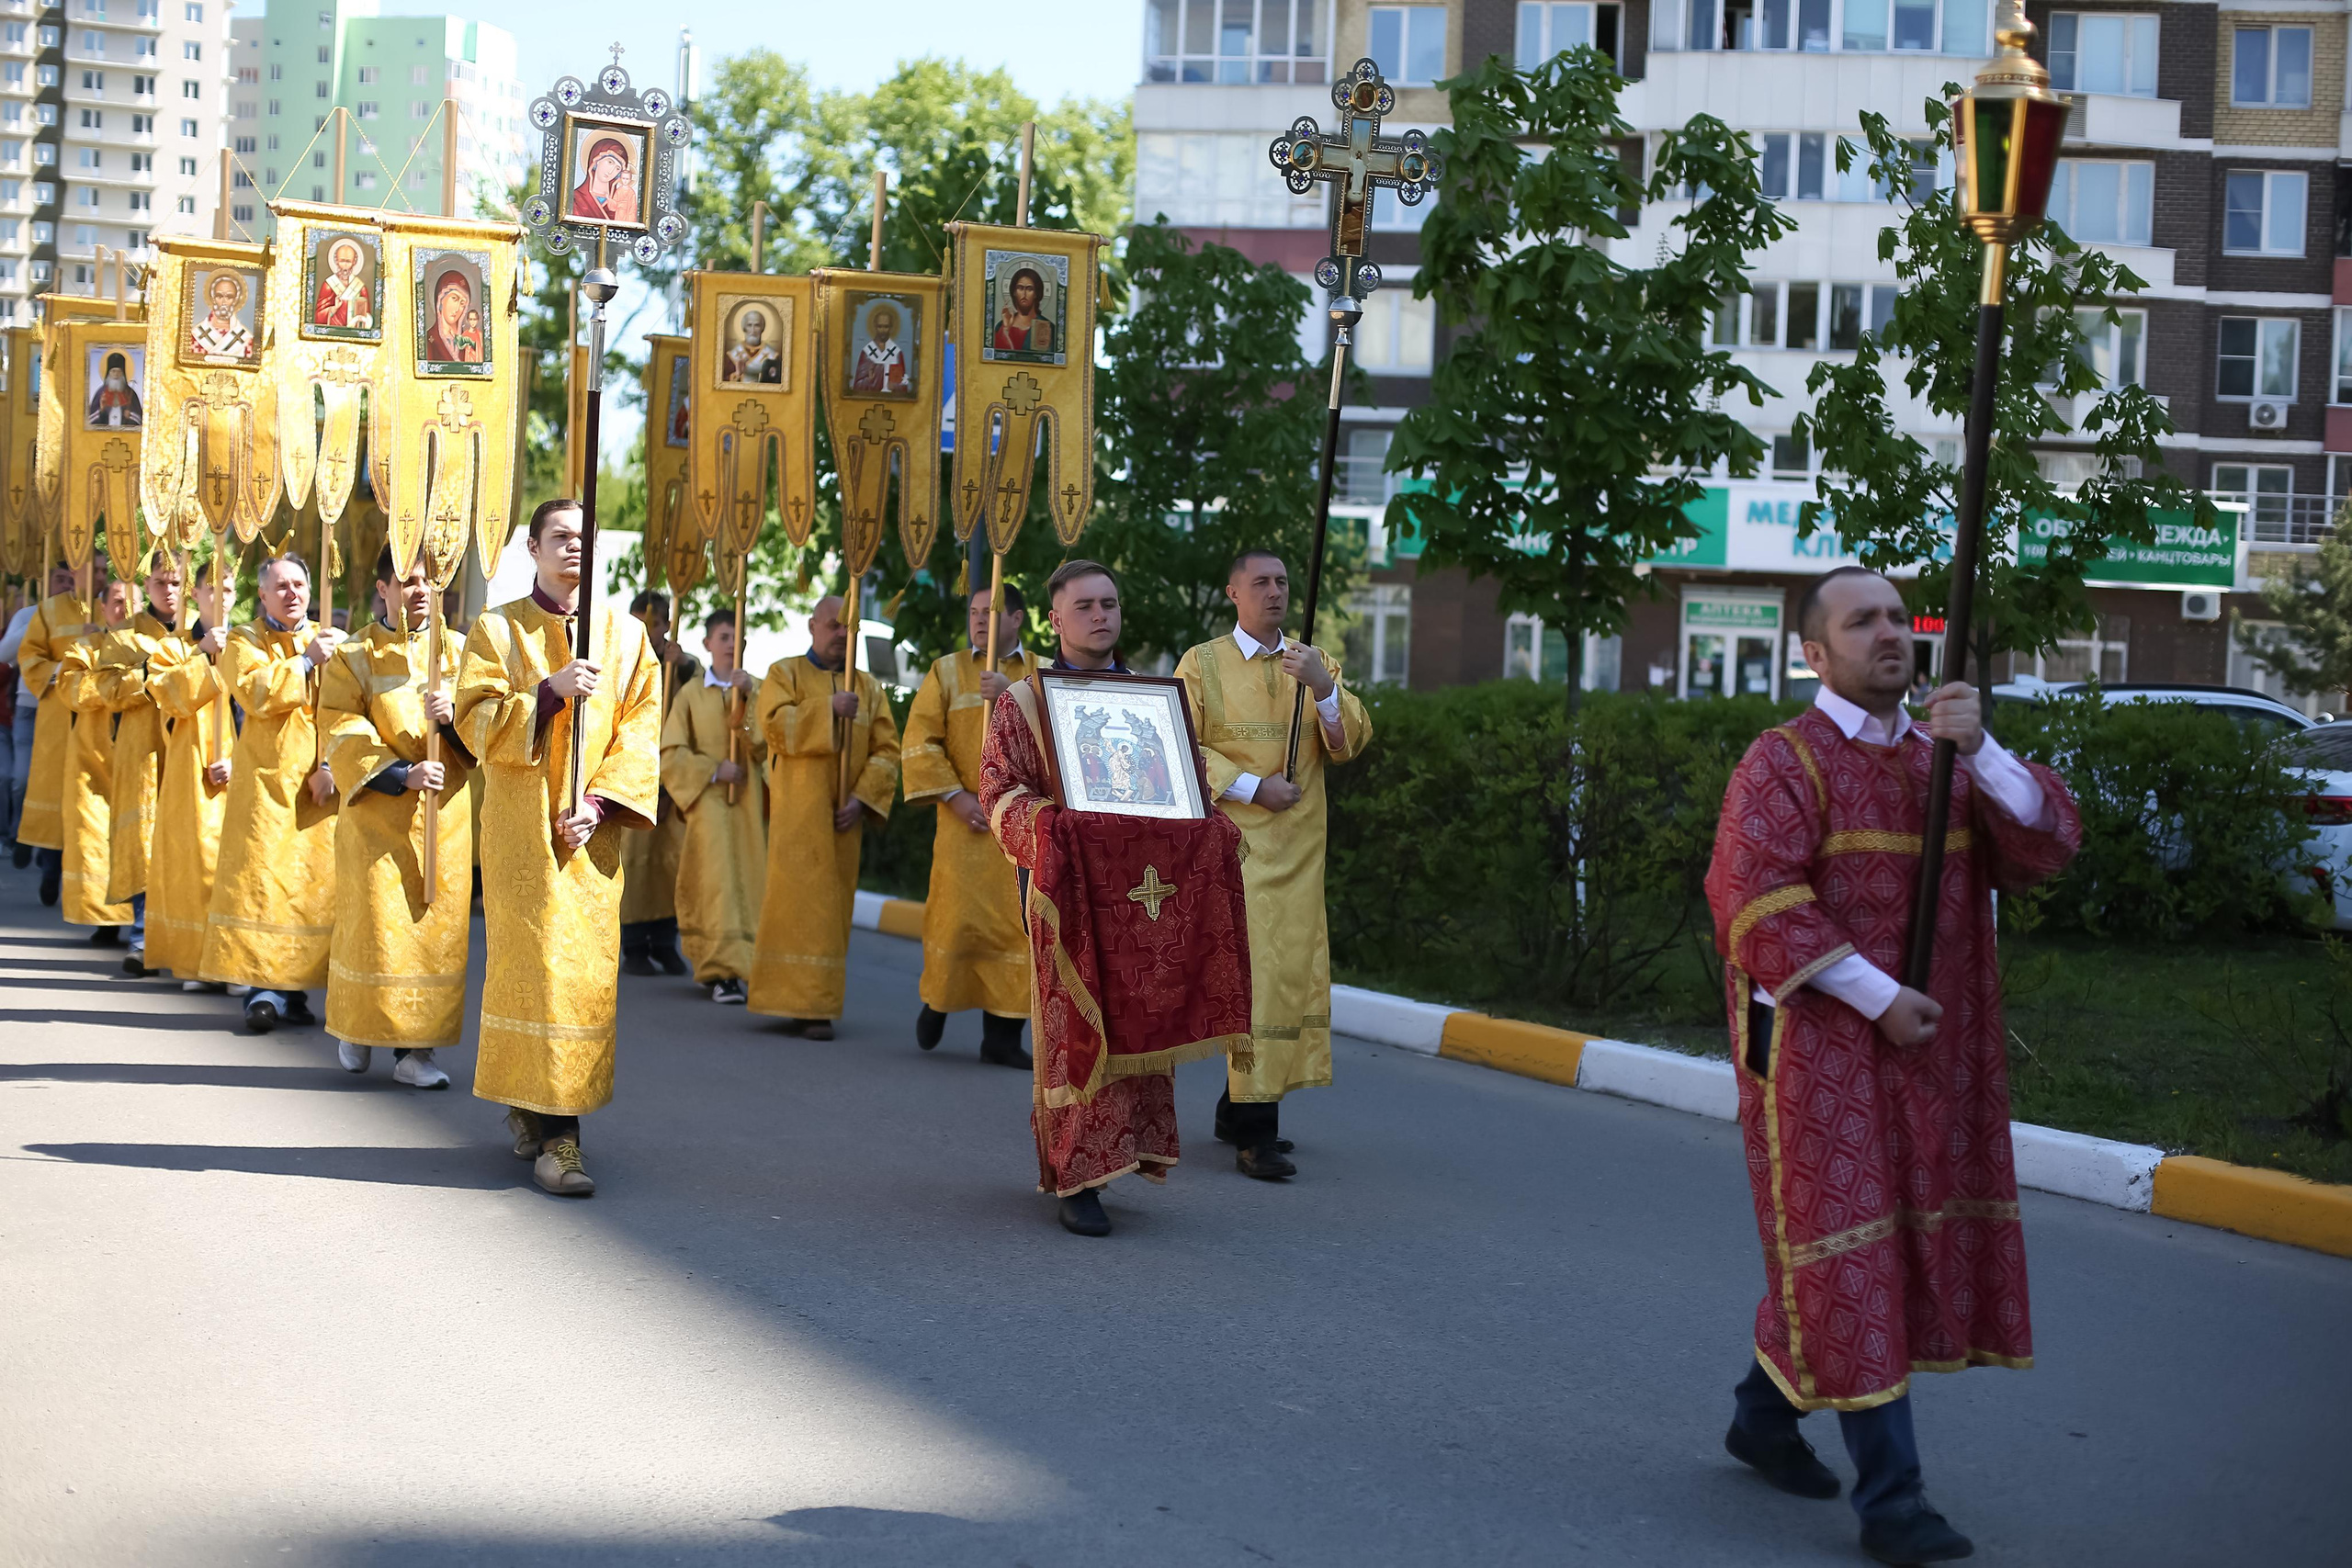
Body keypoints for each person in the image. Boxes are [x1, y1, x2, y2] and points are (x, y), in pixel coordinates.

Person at [1705, 566, 2082, 1566]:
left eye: (1895, 618)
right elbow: (1756, 901)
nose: (1888, 634)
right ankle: (1893, 1502)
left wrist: (1981, 748)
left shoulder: (1942, 758)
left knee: (1875, 1250)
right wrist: (1877, 996)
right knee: (1850, 1252)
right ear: (1814, 653)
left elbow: (2045, 846)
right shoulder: (1783, 759)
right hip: (1820, 1049)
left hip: (1935, 1053)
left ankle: (1761, 1418)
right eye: (1859, 621)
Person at [978, 559, 1250, 1236]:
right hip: (1067, 893)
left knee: (1141, 1023)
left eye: (1110, 603)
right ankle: (1076, 1174)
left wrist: (1210, 824)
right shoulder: (1026, 702)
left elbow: (1182, 789)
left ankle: (1125, 1152)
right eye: (1085, 606)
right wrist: (1051, 827)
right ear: (1055, 620)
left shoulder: (1152, 701)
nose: (1101, 615)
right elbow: (1000, 791)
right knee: (1076, 1028)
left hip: (1146, 898)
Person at [452, 498, 662, 1197]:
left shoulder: (627, 637)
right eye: (560, 537)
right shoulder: (498, 628)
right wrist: (547, 691)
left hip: (589, 842)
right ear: (534, 549)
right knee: (533, 973)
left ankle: (538, 1109)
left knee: (579, 981)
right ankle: (558, 1140)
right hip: (521, 843)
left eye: (584, 537)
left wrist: (597, 805)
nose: (574, 547)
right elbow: (472, 721)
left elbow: (640, 734)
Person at [1174, 550, 1372, 1181]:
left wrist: (1324, 688)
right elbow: (1180, 743)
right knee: (1256, 982)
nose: (1274, 591)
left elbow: (1349, 743)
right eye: (1259, 582)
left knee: (1286, 978)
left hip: (1299, 851)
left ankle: (1238, 1108)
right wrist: (1253, 787)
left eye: (1282, 581)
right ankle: (1256, 1133)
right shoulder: (1201, 663)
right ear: (1233, 592)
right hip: (1235, 850)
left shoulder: (1313, 662)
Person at [319, 547, 473, 1089]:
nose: (421, 590)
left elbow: (487, 726)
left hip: (444, 820)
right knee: (375, 930)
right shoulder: (353, 654)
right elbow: (339, 726)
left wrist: (452, 720)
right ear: (383, 589)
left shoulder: (461, 651)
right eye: (408, 580)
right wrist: (401, 774)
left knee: (431, 934)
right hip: (376, 821)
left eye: (430, 581)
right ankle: (357, 1027)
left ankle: (417, 1052)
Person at [198, 552, 341, 1033]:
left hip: (317, 784)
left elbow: (346, 710)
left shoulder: (333, 639)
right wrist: (306, 661)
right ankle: (262, 991)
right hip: (264, 785)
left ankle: (294, 990)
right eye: (280, 586)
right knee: (263, 886)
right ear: (262, 595)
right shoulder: (243, 639)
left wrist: (329, 765)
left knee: (307, 889)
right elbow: (256, 693)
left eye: (299, 584)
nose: (291, 593)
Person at [745, 593, 899, 1037]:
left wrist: (862, 799)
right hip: (797, 820)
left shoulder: (868, 687)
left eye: (848, 627)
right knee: (792, 907)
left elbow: (887, 750)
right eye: (832, 625)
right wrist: (828, 709)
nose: (841, 634)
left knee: (831, 911)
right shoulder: (785, 673)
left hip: (842, 822)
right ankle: (791, 1001)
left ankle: (818, 1004)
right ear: (812, 626)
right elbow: (772, 726)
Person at [901, 581, 1037, 1066]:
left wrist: (1012, 698)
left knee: (1016, 927)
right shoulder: (946, 670)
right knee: (955, 920)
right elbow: (920, 740)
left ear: (1016, 618)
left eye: (991, 611)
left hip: (1019, 826)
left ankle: (1002, 1036)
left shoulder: (1040, 672)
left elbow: (1058, 739)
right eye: (975, 612)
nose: (980, 619)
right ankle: (938, 1001)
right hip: (962, 825)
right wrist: (954, 797)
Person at [90, 557, 194, 975]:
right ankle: (141, 937)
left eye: (176, 582)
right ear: (145, 586)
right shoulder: (124, 636)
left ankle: (186, 939)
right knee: (145, 841)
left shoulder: (201, 630)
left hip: (191, 746)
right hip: (144, 749)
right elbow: (108, 691)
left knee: (191, 840)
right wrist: (150, 672)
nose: (169, 591)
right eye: (160, 583)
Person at [660, 606, 764, 1004]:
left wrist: (749, 700)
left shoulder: (758, 689)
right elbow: (671, 751)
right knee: (717, 881)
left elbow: (768, 742)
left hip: (749, 802)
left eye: (737, 638)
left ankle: (749, 965)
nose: (731, 645)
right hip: (707, 800)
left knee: (751, 880)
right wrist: (713, 770)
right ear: (707, 643)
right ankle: (722, 969)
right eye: (724, 638)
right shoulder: (690, 694)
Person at [141, 561, 235, 987]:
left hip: (242, 769)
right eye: (211, 588)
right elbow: (165, 697)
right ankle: (196, 960)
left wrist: (239, 759)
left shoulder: (250, 645)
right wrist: (201, 656)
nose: (220, 597)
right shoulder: (174, 647)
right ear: (195, 595)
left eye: (228, 589)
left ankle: (234, 964)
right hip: (192, 771)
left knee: (237, 869)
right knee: (198, 866)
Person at [55, 574, 136, 943]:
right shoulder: (85, 648)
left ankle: (143, 923)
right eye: (117, 602)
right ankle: (107, 919)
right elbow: (70, 689)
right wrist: (115, 684)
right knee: (95, 837)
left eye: (132, 602)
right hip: (94, 760)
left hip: (140, 759)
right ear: (102, 608)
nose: (125, 609)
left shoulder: (154, 647)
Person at [618, 589, 689, 977]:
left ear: (667, 625)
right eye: (639, 623)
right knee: (635, 865)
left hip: (672, 780)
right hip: (631, 775)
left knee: (669, 865)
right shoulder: (621, 661)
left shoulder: (685, 668)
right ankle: (634, 946)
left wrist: (680, 667)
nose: (646, 631)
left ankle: (665, 942)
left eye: (655, 624)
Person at [8, 565, 87, 899]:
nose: (66, 584)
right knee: (34, 784)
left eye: (102, 572)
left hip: (95, 715)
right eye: (60, 579)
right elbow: (21, 655)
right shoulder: (39, 612)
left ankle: (67, 870)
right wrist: (63, 668)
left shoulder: (112, 607)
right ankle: (34, 847)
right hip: (46, 712)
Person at [569, 135, 638, 223]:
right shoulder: (575, 198)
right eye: (610, 162)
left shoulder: (620, 200)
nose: (611, 171)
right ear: (597, 161)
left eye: (617, 168)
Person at [188, 271, 256, 360]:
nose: (224, 302)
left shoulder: (246, 339)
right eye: (219, 296)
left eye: (229, 297)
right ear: (213, 298)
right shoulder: (196, 335)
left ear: (235, 300)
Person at [312, 237, 373, 331]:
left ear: (354, 262)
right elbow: (319, 316)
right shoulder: (329, 285)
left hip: (353, 333)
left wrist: (362, 319)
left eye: (348, 261)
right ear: (336, 261)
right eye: (342, 261)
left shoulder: (361, 288)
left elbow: (367, 316)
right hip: (333, 332)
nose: (345, 266)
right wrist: (334, 308)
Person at [849, 303, 910, 395]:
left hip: (891, 399)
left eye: (886, 327)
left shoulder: (896, 353)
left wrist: (896, 386)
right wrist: (869, 380)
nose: (883, 330)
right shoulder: (867, 352)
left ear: (891, 327)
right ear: (875, 326)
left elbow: (903, 385)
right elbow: (858, 386)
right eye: (880, 326)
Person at [992, 266, 1054, 355]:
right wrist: (1005, 330)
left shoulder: (1047, 326)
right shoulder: (1001, 326)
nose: (1024, 294)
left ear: (1036, 293)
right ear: (1014, 292)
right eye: (1020, 288)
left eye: (1029, 289)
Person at [723, 308, 781, 384]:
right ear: (744, 328)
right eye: (749, 325)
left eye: (757, 325)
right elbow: (723, 382)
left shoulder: (773, 356)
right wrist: (737, 374)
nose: (753, 330)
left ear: (762, 328)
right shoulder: (732, 356)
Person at [425, 273, 472, 365]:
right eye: (454, 299)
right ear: (441, 300)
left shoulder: (468, 342)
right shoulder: (429, 340)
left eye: (462, 303)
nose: (457, 309)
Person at [87, 353, 142, 427]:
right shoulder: (101, 393)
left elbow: (139, 419)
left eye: (119, 371)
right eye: (113, 371)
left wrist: (129, 417)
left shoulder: (130, 393)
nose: (116, 374)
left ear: (123, 374)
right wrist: (102, 410)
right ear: (108, 373)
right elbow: (91, 420)